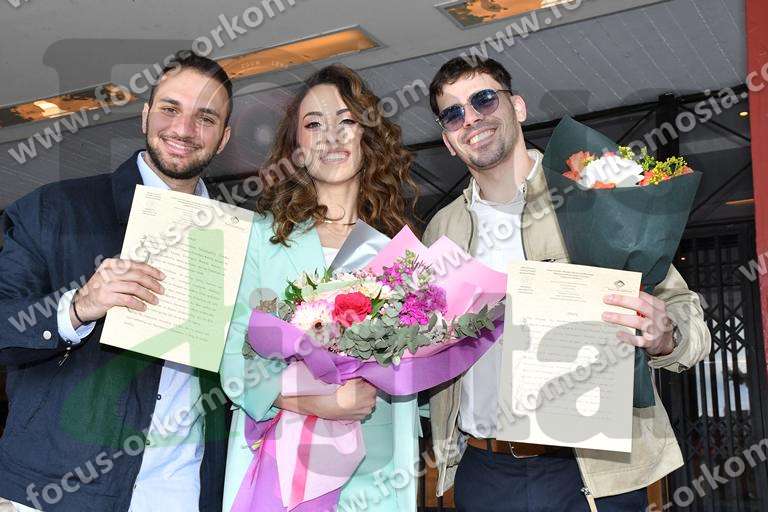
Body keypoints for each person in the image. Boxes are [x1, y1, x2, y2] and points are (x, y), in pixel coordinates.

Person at [423, 57, 711, 511]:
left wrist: (666, 335)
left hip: (591, 470)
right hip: (484, 470)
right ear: (447, 140)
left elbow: (683, 309)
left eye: (484, 100)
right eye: (454, 113)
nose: (471, 119)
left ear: (518, 107)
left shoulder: (590, 191)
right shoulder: (442, 229)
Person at [0, 51, 233, 511]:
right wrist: (76, 308)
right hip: (53, 493)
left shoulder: (241, 237)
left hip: (182, 494)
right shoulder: (53, 210)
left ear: (223, 138)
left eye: (205, 118)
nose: (184, 129)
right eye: (170, 108)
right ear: (145, 116)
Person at [220, 64, 421, 512]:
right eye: (314, 125)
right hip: (279, 467)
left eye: (345, 120)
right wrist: (321, 402)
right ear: (296, 147)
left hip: (376, 476)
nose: (331, 137)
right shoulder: (261, 239)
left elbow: (416, 371)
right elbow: (232, 362)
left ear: (367, 135)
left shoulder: (399, 252)